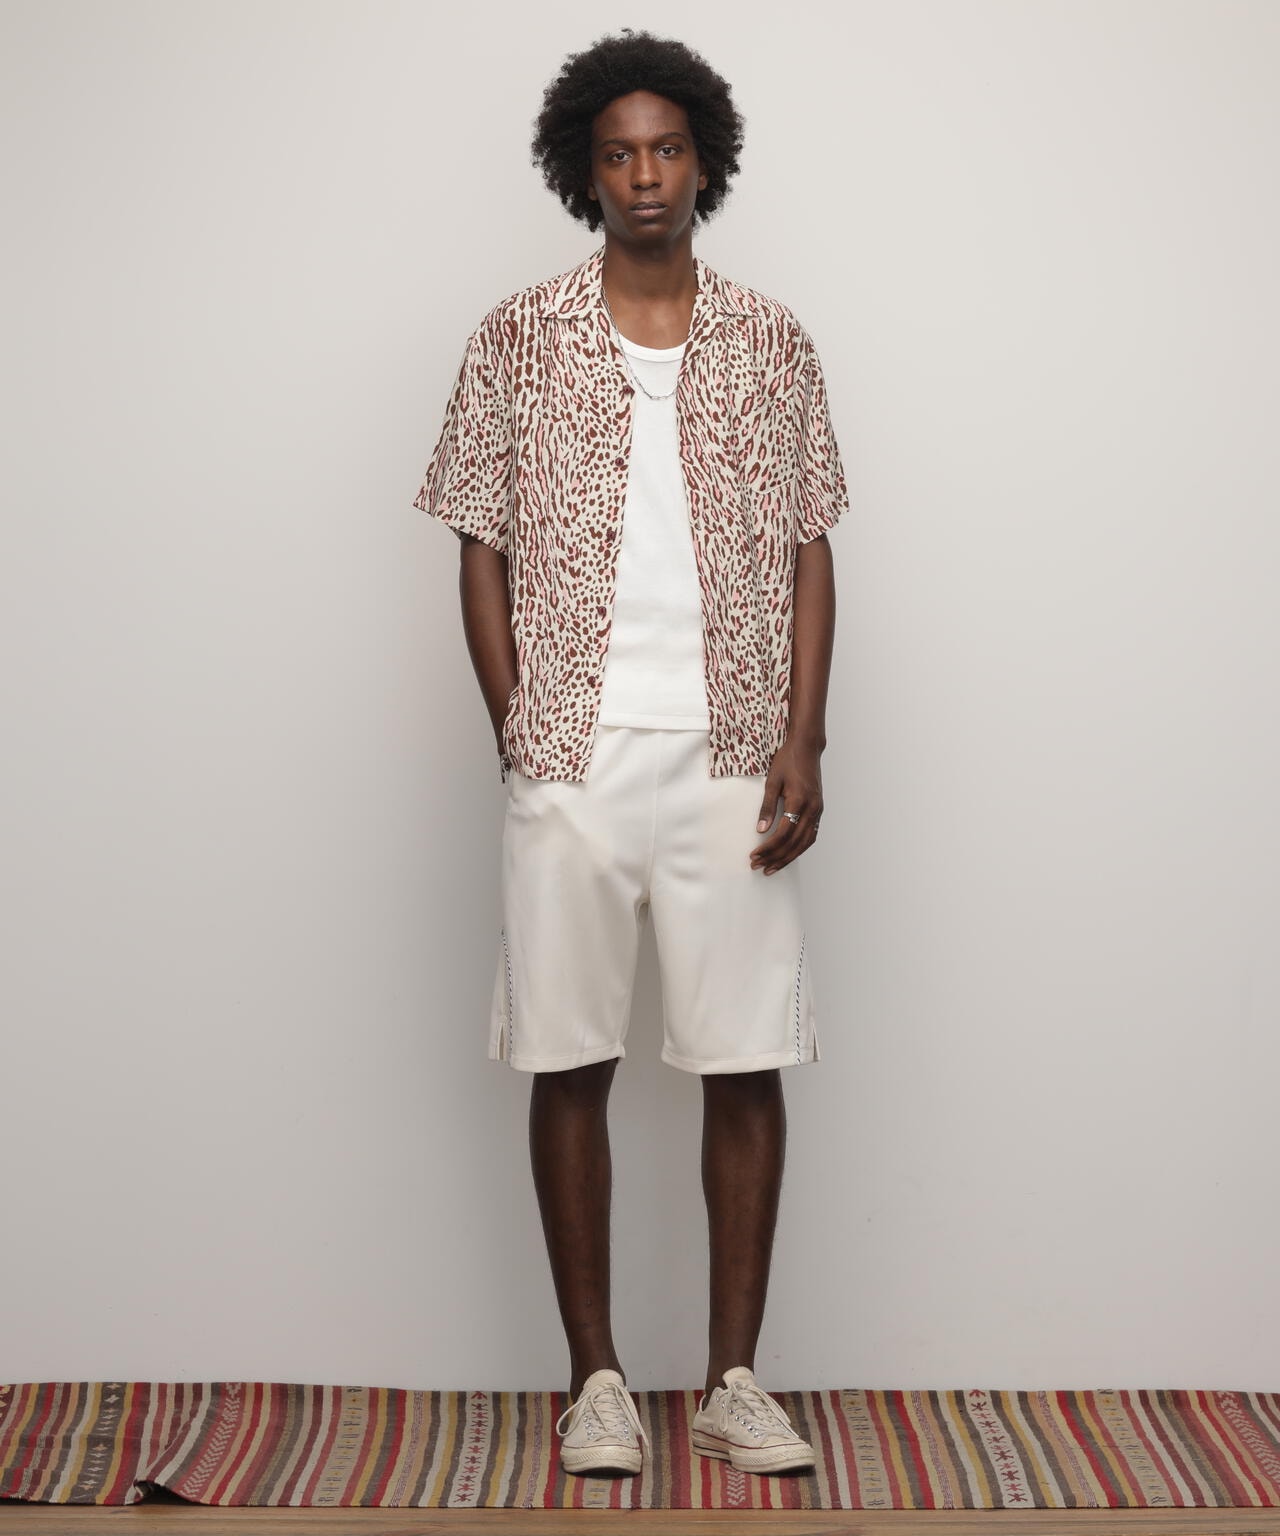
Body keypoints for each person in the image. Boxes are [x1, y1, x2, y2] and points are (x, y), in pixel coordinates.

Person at [413, 27, 848, 1480]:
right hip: (575, 754)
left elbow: (811, 548)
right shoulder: (517, 336)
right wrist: (520, 731)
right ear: (582, 173)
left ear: (705, 163)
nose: (645, 174)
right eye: (618, 154)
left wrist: (803, 736)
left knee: (746, 1057)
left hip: (734, 750)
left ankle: (734, 1383)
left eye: (667, 149)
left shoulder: (774, 341)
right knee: (569, 1054)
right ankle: (593, 1381)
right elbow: (478, 546)